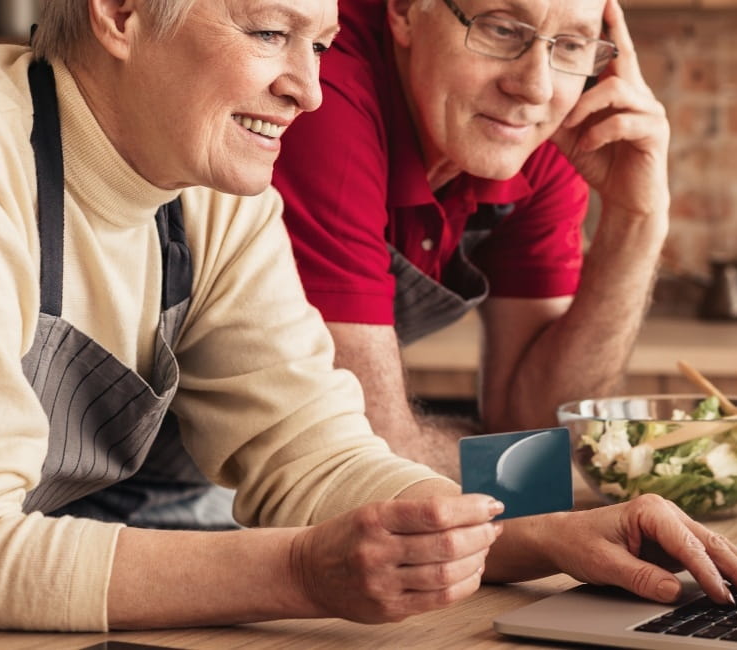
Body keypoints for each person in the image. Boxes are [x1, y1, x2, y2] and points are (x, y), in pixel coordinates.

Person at [0, 0, 737, 636]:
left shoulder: (212, 193)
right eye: (268, 34)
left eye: (318, 44)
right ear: (122, 11)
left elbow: (317, 456)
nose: (309, 92)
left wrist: (549, 537)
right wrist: (296, 570)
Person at [271, 0, 670, 476]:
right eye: (501, 30)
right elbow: (370, 460)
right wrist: (530, 465)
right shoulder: (323, 90)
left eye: (570, 46)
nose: (534, 88)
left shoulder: (539, 131)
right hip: (198, 484)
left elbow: (543, 423)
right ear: (402, 11)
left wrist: (637, 219)